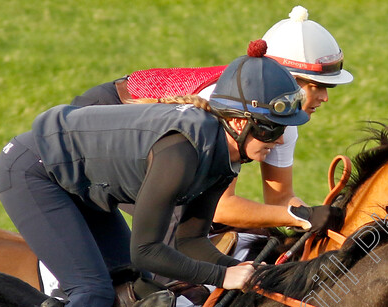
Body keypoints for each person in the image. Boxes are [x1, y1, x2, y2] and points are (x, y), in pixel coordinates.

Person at [0, 41, 309, 307]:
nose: (276, 140)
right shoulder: (181, 152)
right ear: (236, 122)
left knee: (135, 286)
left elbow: (190, 242)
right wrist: (223, 275)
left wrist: (238, 273)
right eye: (268, 128)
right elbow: (149, 250)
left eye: (282, 128)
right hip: (34, 172)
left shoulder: (223, 158)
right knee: (92, 291)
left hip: (81, 183)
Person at [72, 5, 352, 236]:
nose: (325, 97)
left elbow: (279, 200)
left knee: (260, 234)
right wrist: (300, 217)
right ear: (285, 77)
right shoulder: (229, 105)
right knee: (182, 226)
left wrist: (319, 221)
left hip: (154, 138)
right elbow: (222, 207)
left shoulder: (282, 123)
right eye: (315, 85)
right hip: (104, 118)